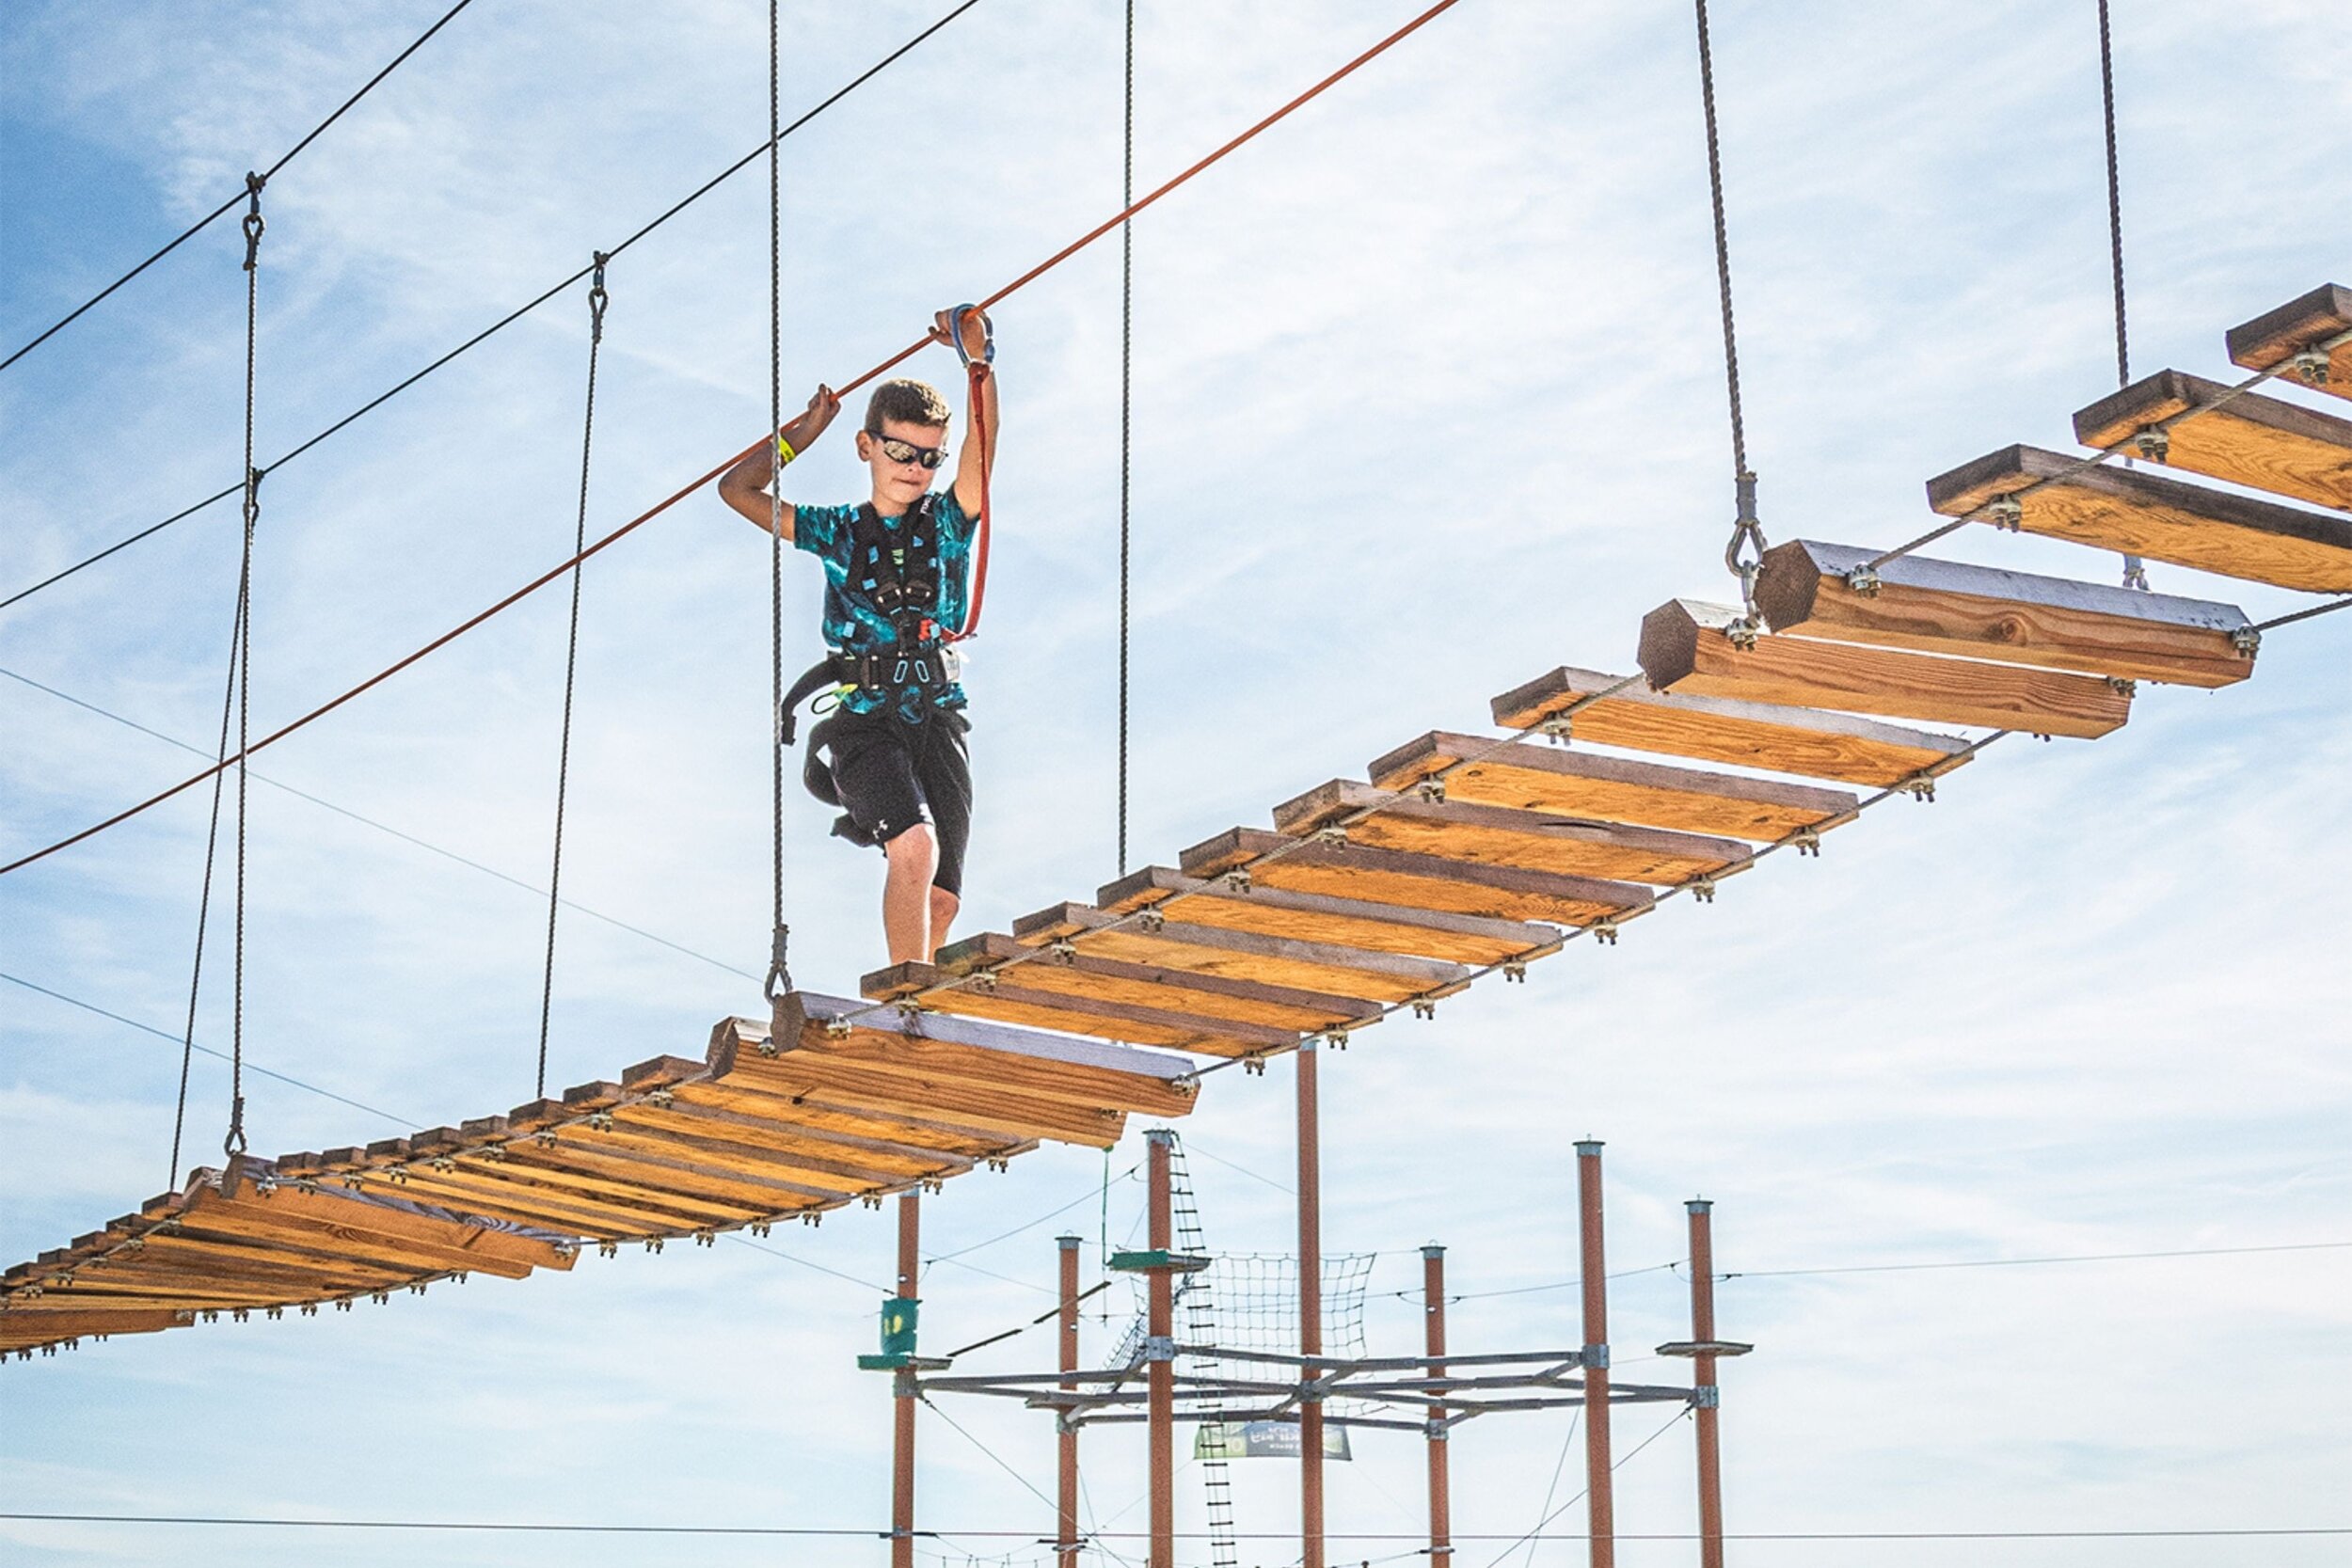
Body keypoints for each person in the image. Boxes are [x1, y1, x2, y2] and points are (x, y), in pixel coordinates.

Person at [717, 309, 997, 969]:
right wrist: (800, 435)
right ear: (868, 446)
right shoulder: (837, 530)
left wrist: (979, 365)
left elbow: (984, 445)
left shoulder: (950, 523)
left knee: (946, 897)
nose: (915, 468)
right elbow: (737, 489)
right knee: (914, 848)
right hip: (864, 727)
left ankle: (919, 987)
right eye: (899, 450)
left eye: (928, 457)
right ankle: (906, 998)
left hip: (937, 718)